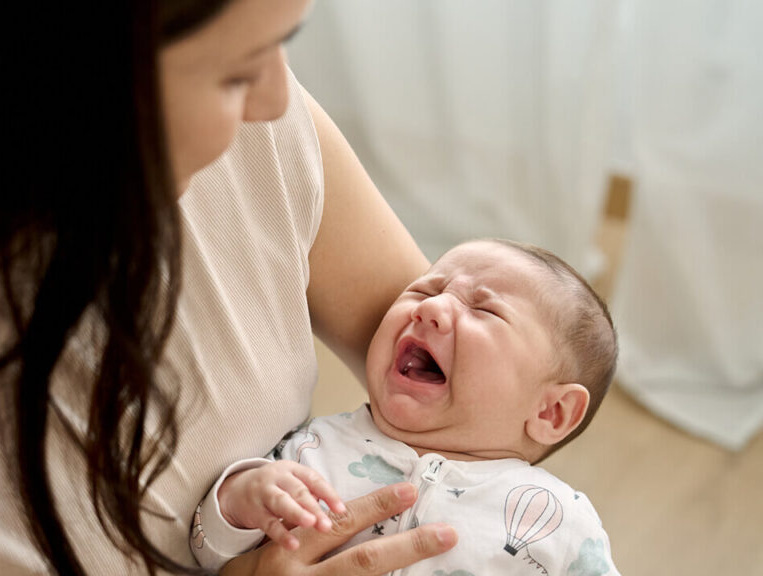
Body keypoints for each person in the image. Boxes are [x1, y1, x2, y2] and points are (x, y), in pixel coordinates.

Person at [0, 0, 459, 574]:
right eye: (238, 73)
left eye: (281, 44)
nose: (275, 101)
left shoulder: (248, 138)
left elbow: (491, 388)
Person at [191, 239, 622, 575]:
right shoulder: (309, 449)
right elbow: (209, 556)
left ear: (551, 412)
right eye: (424, 290)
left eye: (483, 309)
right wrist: (235, 505)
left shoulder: (562, 522)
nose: (431, 307)